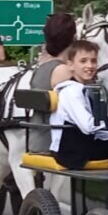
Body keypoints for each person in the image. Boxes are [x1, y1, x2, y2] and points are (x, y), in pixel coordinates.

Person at [47, 39, 108, 170]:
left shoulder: (81, 89)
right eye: (83, 61)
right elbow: (89, 126)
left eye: (93, 61)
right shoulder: (71, 91)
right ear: (70, 65)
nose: (90, 65)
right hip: (72, 154)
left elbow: (95, 129)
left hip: (79, 147)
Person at [25, 12, 77, 156]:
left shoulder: (40, 69)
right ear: (73, 37)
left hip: (36, 138)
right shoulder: (63, 71)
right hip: (55, 142)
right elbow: (75, 111)